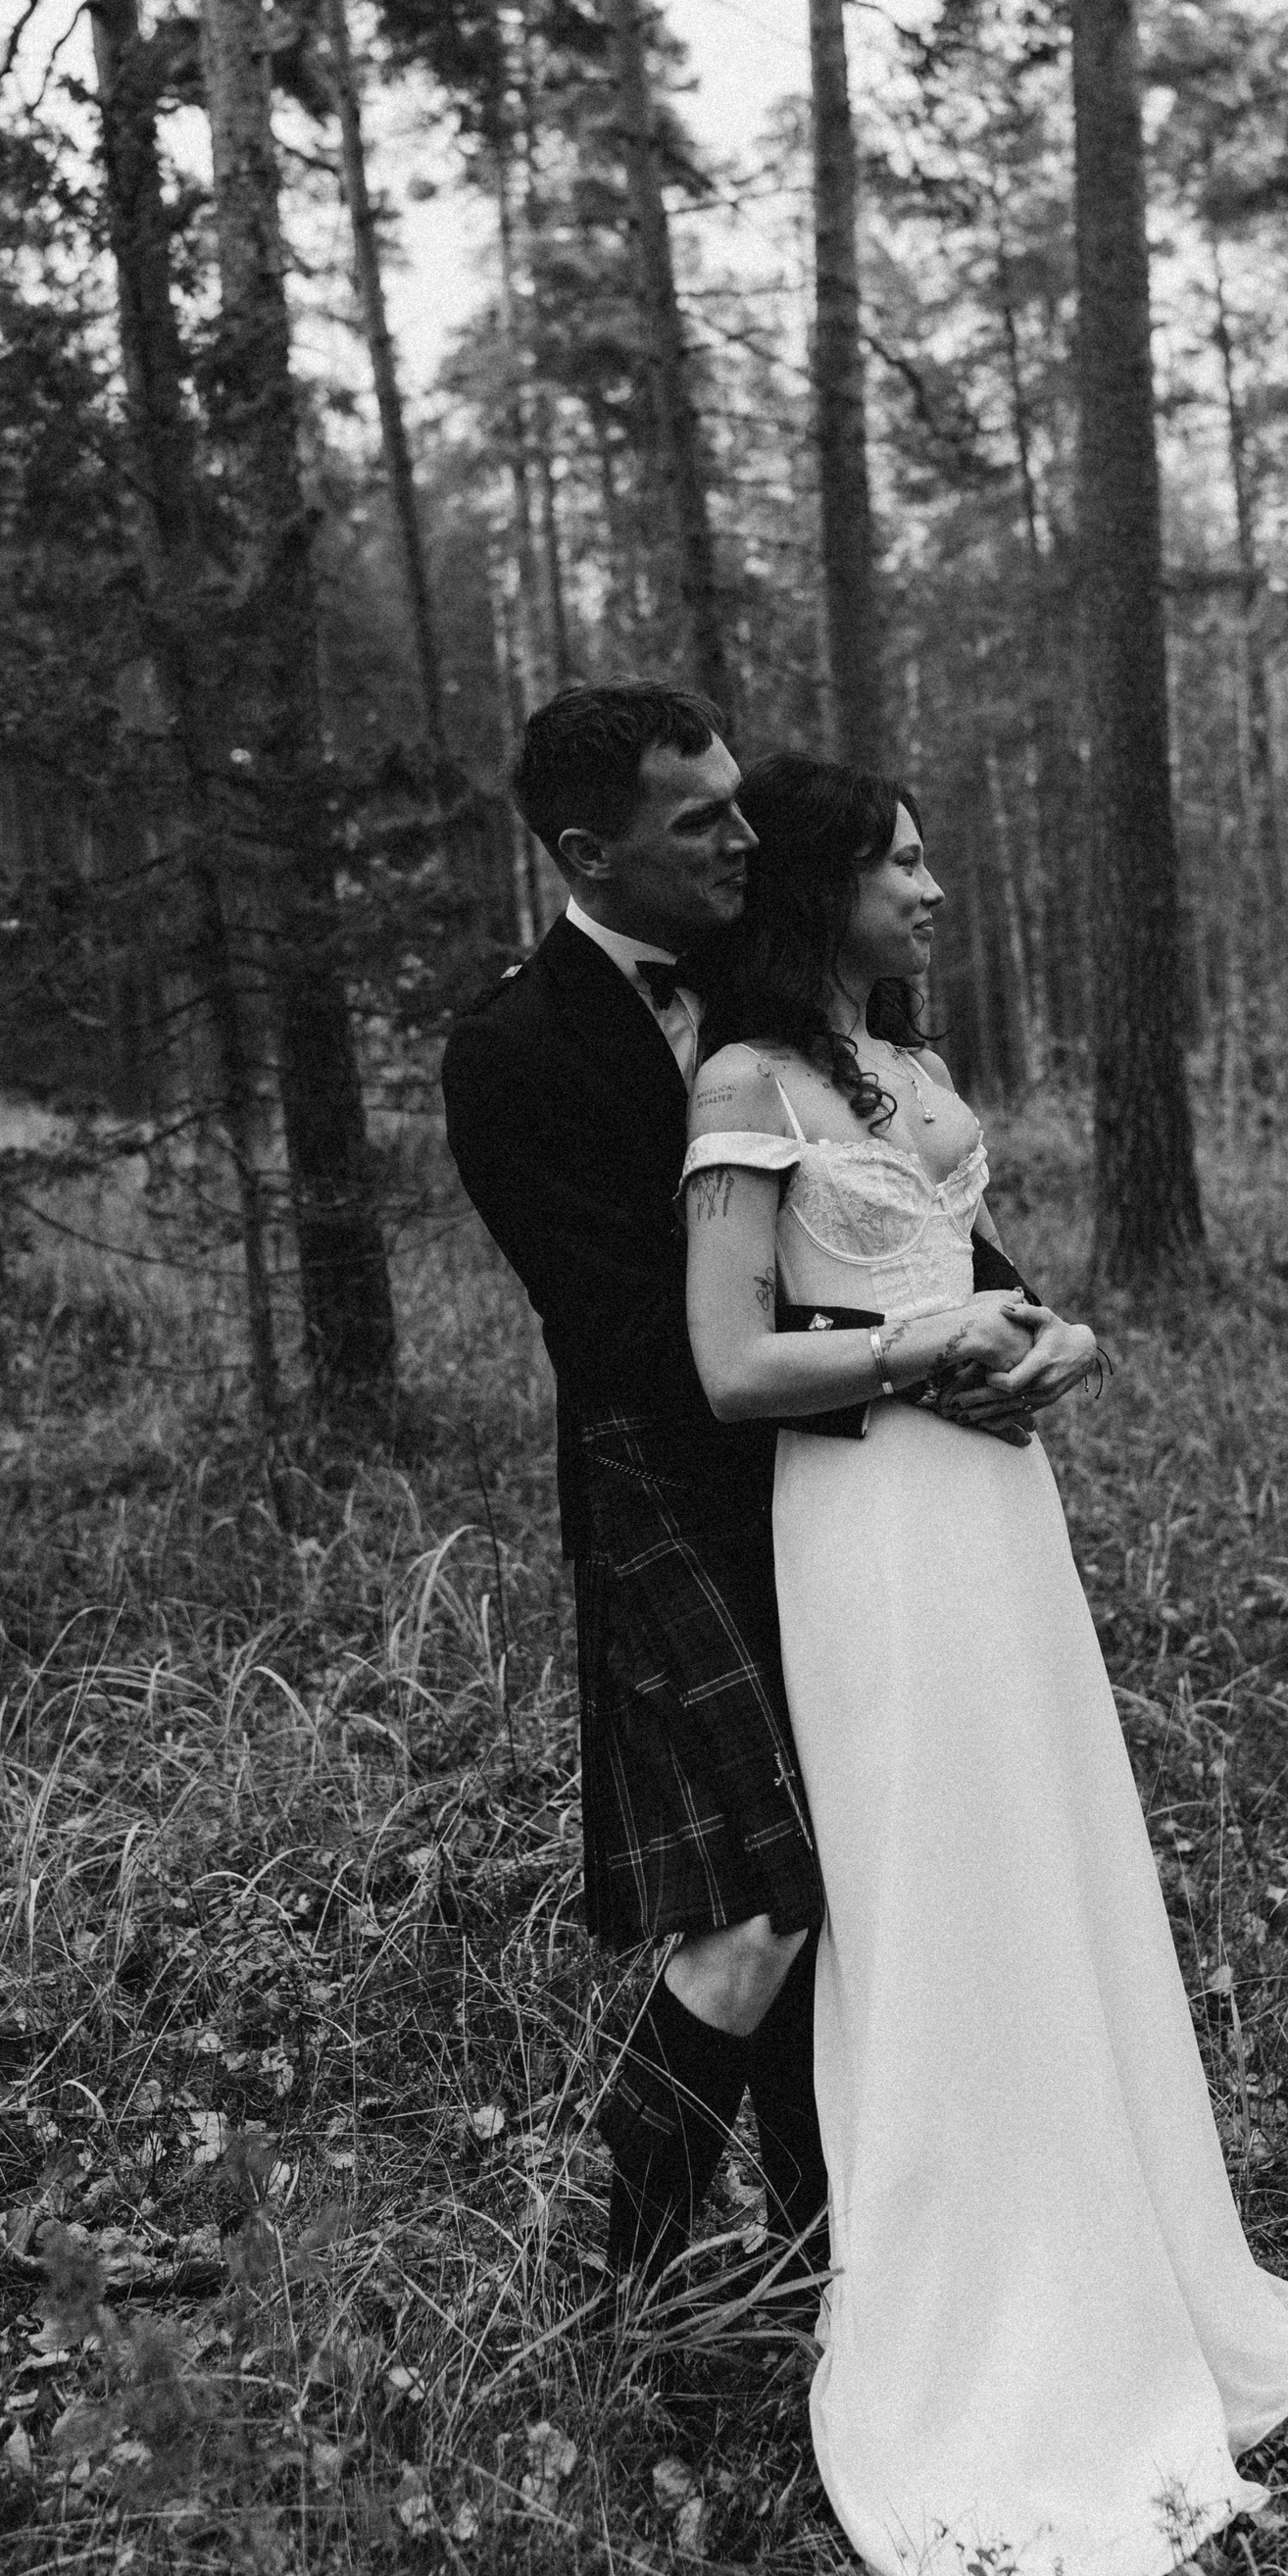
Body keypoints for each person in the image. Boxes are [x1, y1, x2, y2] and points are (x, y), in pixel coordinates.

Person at [680, 754, 1288, 2576]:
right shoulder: (743, 1084)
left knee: (1046, 1855)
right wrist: (921, 1347)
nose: (932, 888)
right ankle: (977, 2322)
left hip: (998, 1509)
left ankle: (1119, 2254)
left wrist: (1066, 1340)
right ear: (820, 886)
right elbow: (731, 1367)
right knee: (934, 1882)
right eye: (900, 862)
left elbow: (983, 1278)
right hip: (872, 1524)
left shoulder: (904, 1070)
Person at [440, 682, 830, 2288]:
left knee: (829, 1891)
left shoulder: (772, 982)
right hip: (664, 1489)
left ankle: (825, 2262)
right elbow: (616, 1330)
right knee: (765, 1895)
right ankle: (639, 2267)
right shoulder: (511, 1051)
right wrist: (871, 1360)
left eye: (739, 801)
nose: (745, 839)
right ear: (589, 854)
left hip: (839, 1487)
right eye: (702, 819)